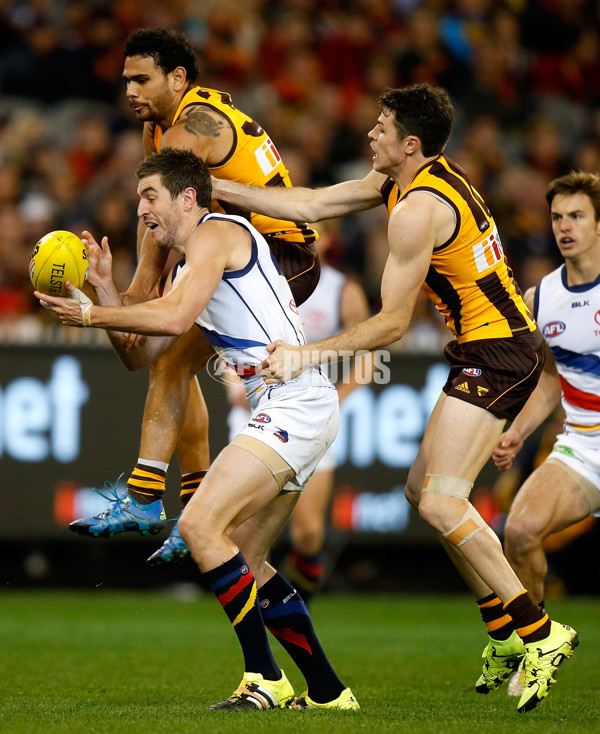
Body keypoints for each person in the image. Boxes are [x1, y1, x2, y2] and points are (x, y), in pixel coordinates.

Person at [210, 83, 579, 714]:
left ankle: (539, 631)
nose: (370, 134)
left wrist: (308, 353)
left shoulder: (417, 209)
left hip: (499, 353)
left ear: (409, 143)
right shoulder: (409, 181)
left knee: (441, 502)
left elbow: (390, 325)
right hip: (485, 350)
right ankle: (501, 629)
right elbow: (311, 203)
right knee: (420, 492)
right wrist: (218, 189)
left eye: (381, 127)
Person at [36, 148, 358, 712]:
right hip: (290, 405)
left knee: (202, 524)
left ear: (188, 197)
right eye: (139, 198)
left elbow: (173, 319)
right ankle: (331, 693)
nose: (140, 211)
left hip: (295, 403)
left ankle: (264, 678)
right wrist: (103, 293)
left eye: (150, 196)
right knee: (249, 565)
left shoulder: (219, 233)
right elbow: (143, 357)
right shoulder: (191, 268)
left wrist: (89, 316)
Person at [68, 28, 320, 566]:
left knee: (170, 357)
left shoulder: (188, 132)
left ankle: (151, 501)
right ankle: (189, 505)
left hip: (280, 254)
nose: (130, 90)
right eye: (126, 79)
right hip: (233, 248)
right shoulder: (160, 128)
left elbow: (166, 213)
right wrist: (139, 291)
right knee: (172, 364)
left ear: (177, 78)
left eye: (142, 78)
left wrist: (137, 293)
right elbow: (154, 210)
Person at [492, 170, 600, 696]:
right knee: (519, 531)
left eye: (577, 215)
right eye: (557, 216)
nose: (565, 226)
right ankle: (537, 647)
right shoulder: (543, 297)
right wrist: (518, 430)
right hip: (582, 447)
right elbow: (554, 380)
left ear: (598, 224)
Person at [226, 220, 374, 603]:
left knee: (308, 532)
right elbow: (221, 336)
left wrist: (335, 397)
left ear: (329, 239)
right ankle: (261, 610)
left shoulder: (343, 289)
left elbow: (369, 356)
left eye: (317, 231)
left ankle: (299, 604)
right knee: (247, 530)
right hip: (256, 410)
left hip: (307, 411)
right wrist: (232, 383)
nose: (308, 239)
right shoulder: (255, 277)